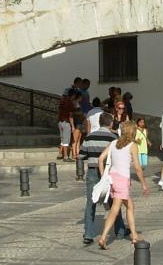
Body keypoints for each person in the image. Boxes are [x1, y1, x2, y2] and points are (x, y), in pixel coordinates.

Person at [96, 121, 150, 249]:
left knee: (130, 205)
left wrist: (104, 175)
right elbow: (137, 167)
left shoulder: (114, 143)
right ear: (133, 132)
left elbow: (100, 158)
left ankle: (134, 234)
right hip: (122, 180)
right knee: (115, 210)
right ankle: (103, 237)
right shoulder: (132, 145)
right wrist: (144, 184)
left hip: (113, 178)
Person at [80, 113, 128, 245]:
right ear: (111, 123)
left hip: (92, 172)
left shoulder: (89, 137)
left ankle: (88, 234)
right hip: (109, 172)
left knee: (91, 202)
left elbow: (81, 154)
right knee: (114, 201)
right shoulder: (113, 138)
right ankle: (120, 230)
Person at [56, 89, 79, 161]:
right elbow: (71, 115)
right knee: (66, 140)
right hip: (66, 123)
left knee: (62, 139)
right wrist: (72, 126)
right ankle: (66, 156)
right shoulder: (70, 102)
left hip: (60, 122)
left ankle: (60, 154)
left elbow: (59, 111)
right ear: (73, 95)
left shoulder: (62, 100)